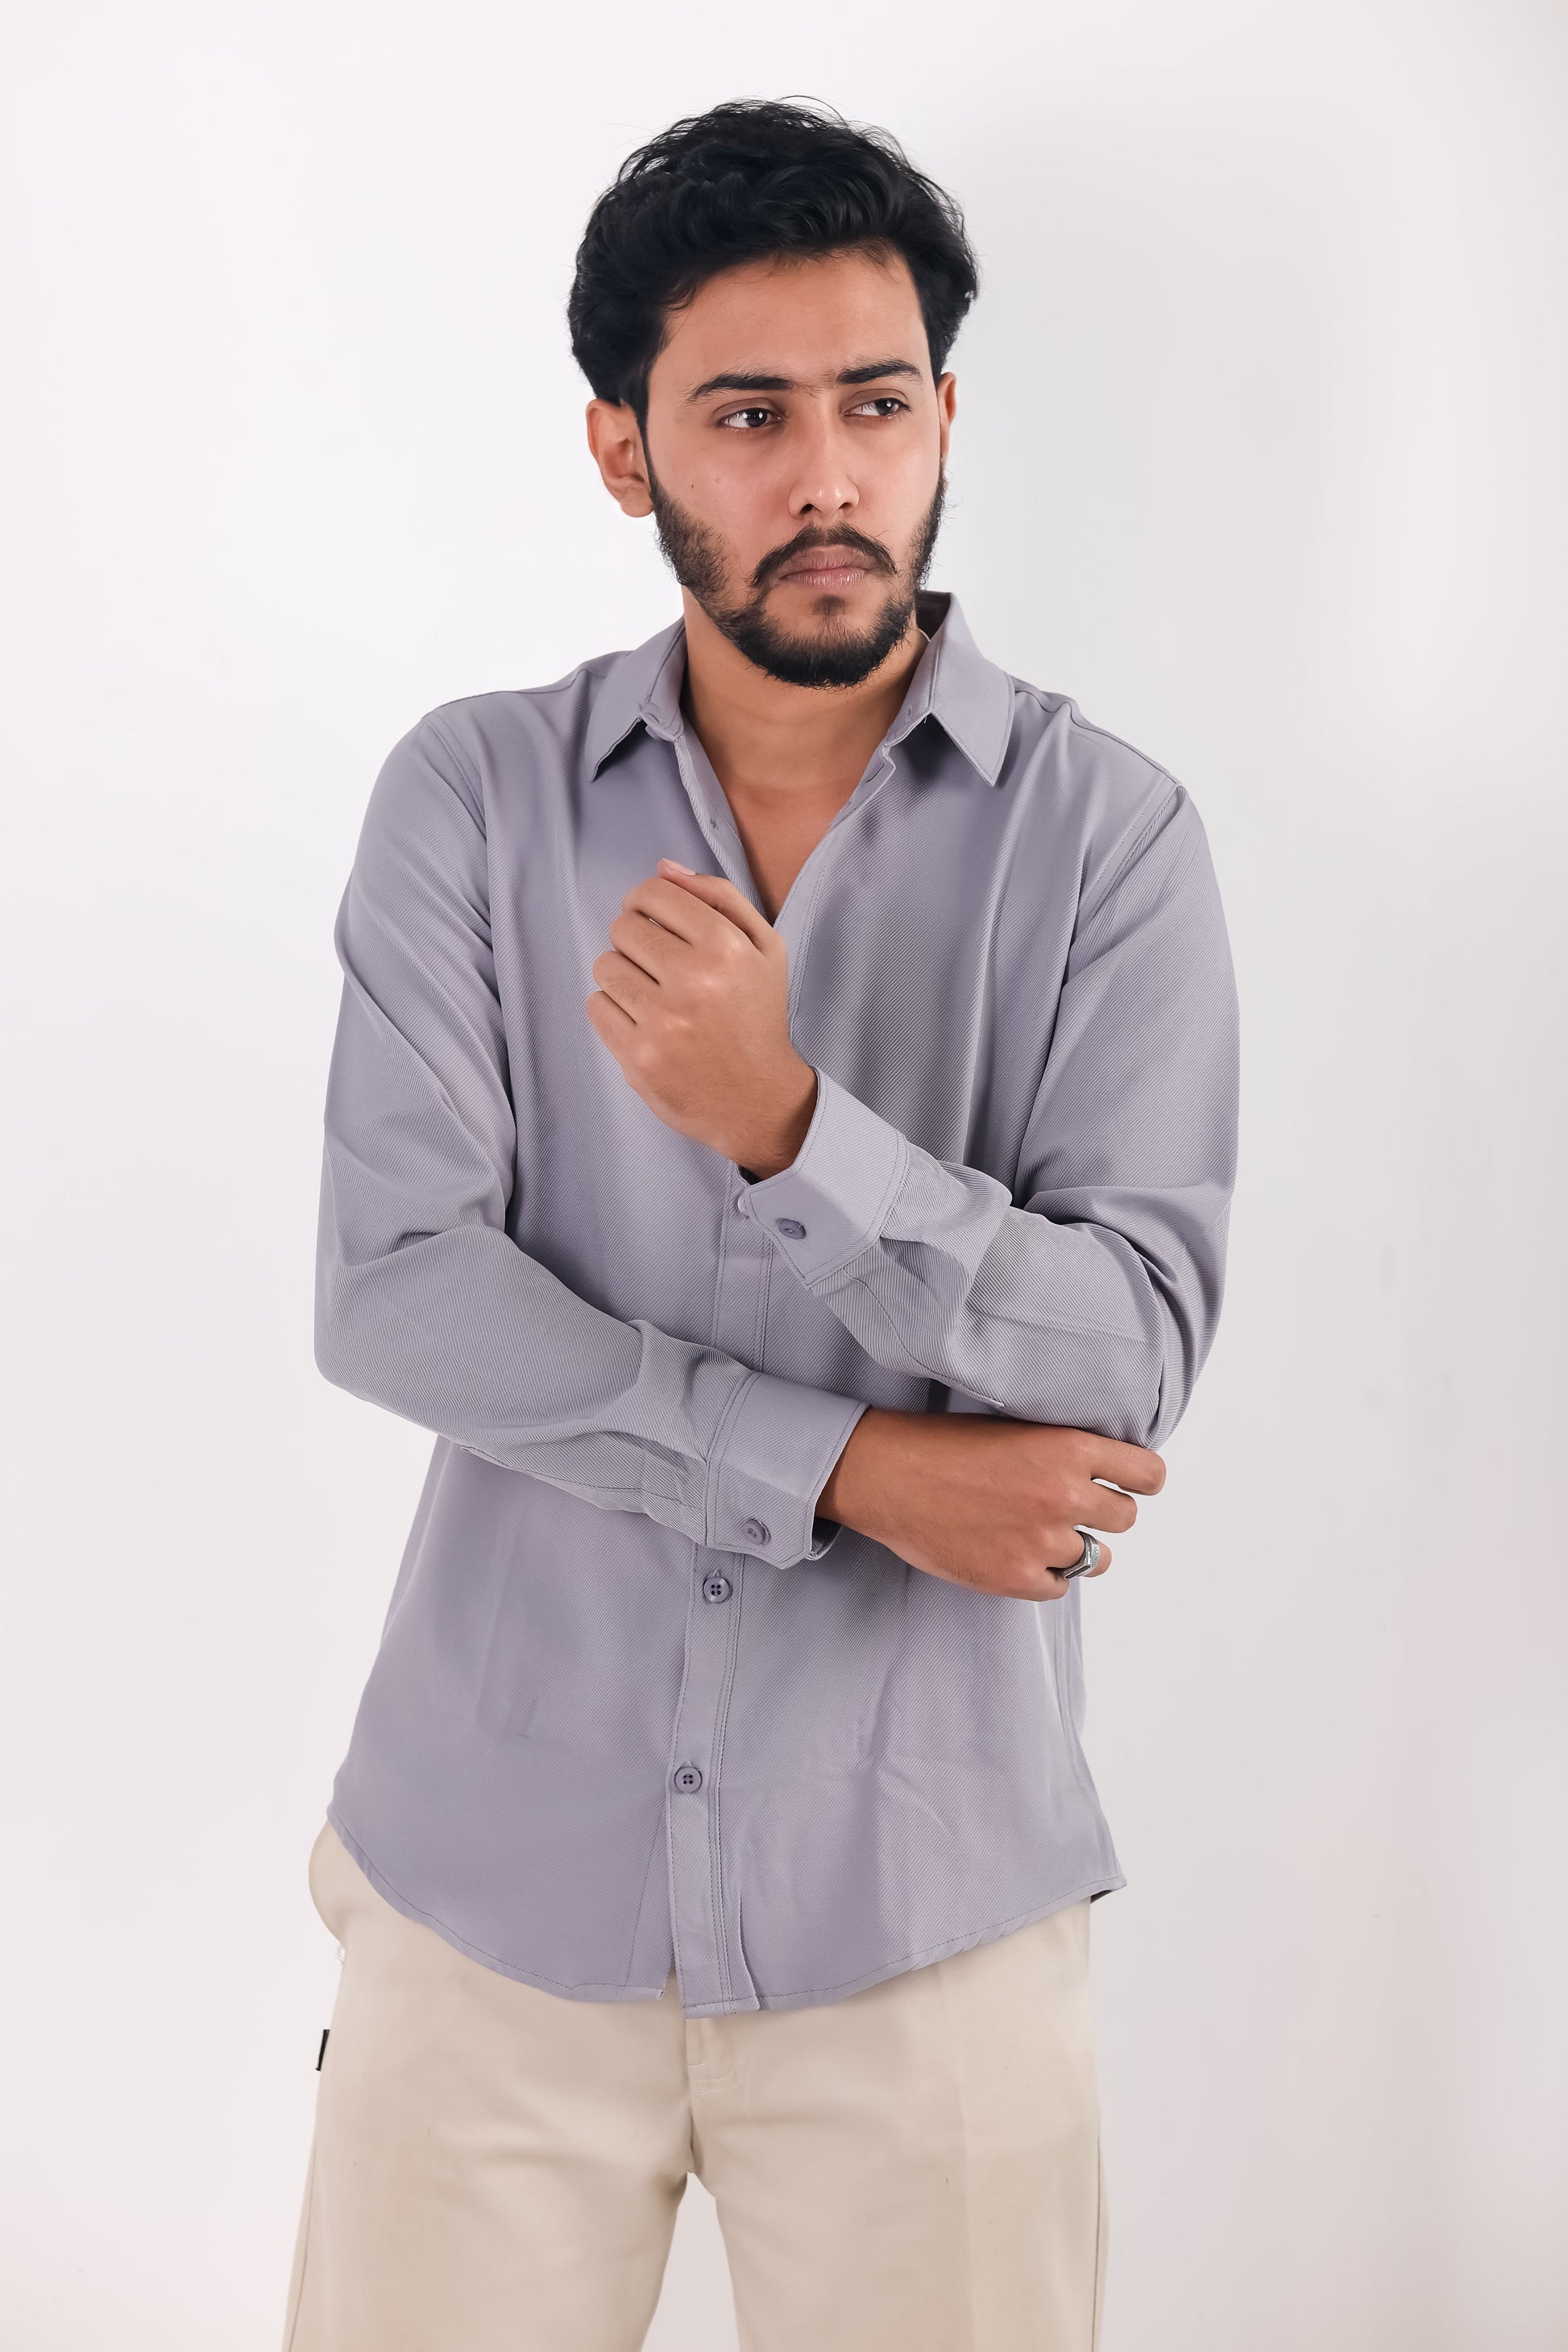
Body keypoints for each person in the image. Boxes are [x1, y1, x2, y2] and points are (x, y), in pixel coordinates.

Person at [280, 95, 1239, 2352]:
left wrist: (789, 1127)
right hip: (491, 1893)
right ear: (622, 451)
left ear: (944, 423)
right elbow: (395, 1291)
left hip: (925, 1912)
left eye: (876, 405)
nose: (827, 476)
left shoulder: (1108, 842)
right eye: (746, 415)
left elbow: (1124, 1356)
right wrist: (857, 1469)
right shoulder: (473, 800)